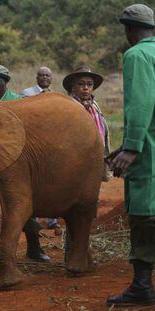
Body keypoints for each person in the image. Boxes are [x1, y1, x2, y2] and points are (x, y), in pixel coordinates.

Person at [0, 64, 50, 262]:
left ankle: (34, 247)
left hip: (15, 167)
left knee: (22, 210)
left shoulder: (20, 103)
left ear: (6, 83)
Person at [106, 4, 155, 307]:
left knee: (144, 216)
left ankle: (141, 287)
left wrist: (133, 146)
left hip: (149, 151)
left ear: (127, 29)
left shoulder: (137, 55)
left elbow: (140, 104)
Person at [20, 66, 60, 235]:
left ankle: (53, 220)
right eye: (42, 75)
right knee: (34, 182)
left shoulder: (56, 96)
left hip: (51, 144)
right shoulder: (27, 94)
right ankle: (33, 222)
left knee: (52, 180)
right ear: (36, 77)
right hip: (33, 144)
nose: (44, 78)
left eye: (47, 75)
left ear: (51, 79)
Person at [62, 65, 110, 181]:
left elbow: (103, 132)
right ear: (72, 87)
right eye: (81, 84)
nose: (85, 88)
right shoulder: (67, 105)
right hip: (74, 157)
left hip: (95, 154)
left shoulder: (95, 106)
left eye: (89, 84)